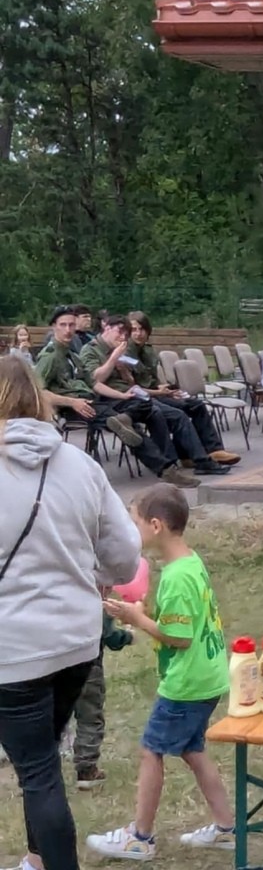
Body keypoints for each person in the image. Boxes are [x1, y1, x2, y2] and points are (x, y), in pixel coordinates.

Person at [0, 355, 141, 870]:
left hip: (14, 650)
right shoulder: (80, 464)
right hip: (78, 642)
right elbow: (124, 557)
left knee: (37, 771)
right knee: (40, 762)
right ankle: (37, 860)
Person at [88, 484, 235, 859]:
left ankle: (140, 837)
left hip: (186, 683)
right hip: (207, 676)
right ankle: (226, 828)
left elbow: (179, 637)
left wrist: (139, 618)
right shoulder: (190, 562)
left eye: (134, 522)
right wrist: (134, 614)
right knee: (192, 750)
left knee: (151, 751)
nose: (131, 529)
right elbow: (181, 624)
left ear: (155, 526)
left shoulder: (176, 577)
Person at [35, 306, 197, 489]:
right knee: (131, 428)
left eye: (71, 325)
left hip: (92, 401)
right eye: (63, 325)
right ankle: (166, 470)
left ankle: (125, 421)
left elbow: (94, 384)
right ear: (53, 327)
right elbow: (39, 392)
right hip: (75, 408)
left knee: (142, 403)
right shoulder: (49, 357)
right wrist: (73, 402)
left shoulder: (72, 355)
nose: (68, 330)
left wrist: (122, 395)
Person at [80, 315, 232, 476]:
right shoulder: (91, 349)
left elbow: (132, 382)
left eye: (126, 334)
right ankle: (189, 461)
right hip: (112, 399)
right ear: (107, 328)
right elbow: (95, 380)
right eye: (120, 332)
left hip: (133, 394)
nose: (123, 337)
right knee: (169, 413)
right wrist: (113, 360)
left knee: (178, 412)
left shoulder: (121, 349)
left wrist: (124, 371)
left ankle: (191, 460)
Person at [125, 312, 240, 467]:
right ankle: (193, 456)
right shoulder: (125, 353)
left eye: (142, 329)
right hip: (142, 398)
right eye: (134, 330)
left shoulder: (148, 351)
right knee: (180, 412)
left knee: (196, 405)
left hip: (155, 393)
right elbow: (134, 387)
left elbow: (151, 381)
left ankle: (213, 449)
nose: (138, 334)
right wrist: (160, 392)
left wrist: (166, 389)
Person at [69, 610, 134, 791]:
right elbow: (111, 637)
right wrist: (128, 636)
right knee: (89, 718)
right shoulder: (93, 601)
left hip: (52, 669)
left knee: (49, 719)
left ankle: (40, 771)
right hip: (87, 669)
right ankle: (87, 770)